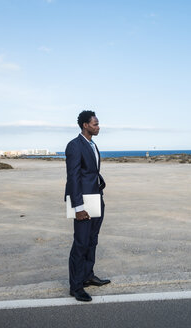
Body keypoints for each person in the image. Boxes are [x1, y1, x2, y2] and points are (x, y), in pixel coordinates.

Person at [65, 110, 110, 302]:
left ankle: (87, 276)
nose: (98, 126)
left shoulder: (92, 144)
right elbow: (73, 177)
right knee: (81, 243)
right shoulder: (75, 145)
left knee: (92, 240)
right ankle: (76, 287)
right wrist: (78, 207)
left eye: (98, 124)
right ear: (85, 125)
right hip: (83, 202)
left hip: (95, 198)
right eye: (95, 124)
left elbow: (91, 172)